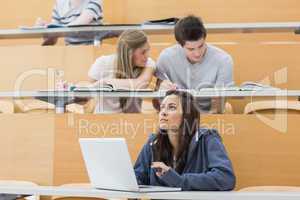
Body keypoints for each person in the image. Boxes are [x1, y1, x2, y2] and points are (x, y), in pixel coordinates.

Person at [134, 90, 236, 191]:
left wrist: (179, 180)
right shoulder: (153, 142)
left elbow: (225, 178)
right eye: (162, 108)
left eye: (171, 107)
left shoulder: (208, 138)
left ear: (187, 115)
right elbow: (137, 178)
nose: (163, 113)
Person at [155, 15, 234, 113]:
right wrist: (162, 88)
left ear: (205, 38)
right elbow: (156, 102)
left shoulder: (223, 60)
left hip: (209, 115)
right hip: (176, 115)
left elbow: (218, 107)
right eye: (191, 49)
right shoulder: (166, 58)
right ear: (180, 45)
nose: (197, 53)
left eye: (201, 46)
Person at [88, 29, 156, 113]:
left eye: (148, 50)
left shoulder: (149, 63)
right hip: (103, 120)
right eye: (143, 52)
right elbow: (88, 94)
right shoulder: (102, 62)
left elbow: (140, 84)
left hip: (132, 122)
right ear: (129, 53)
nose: (147, 55)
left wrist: (106, 83)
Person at [36, 0, 103, 45]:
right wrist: (45, 30)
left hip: (91, 49)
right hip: (70, 51)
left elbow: (83, 20)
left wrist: (57, 28)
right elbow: (53, 40)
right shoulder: (59, 3)